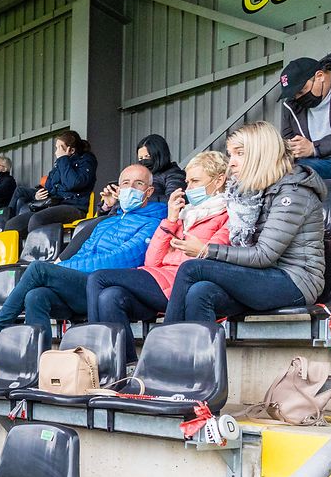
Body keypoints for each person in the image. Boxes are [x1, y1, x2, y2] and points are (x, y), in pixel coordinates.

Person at [0, 163, 168, 361]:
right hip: (84, 284)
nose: (131, 188)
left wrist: (62, 268)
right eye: (125, 183)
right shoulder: (106, 222)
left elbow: (124, 259)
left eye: (138, 184)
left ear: (148, 191)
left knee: (38, 269)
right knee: (36, 296)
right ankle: (38, 364)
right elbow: (83, 252)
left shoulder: (155, 220)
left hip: (110, 287)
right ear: (118, 189)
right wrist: (67, 267)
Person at [164, 121, 326, 323]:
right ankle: (199, 354)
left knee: (192, 268)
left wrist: (206, 250)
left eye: (239, 153)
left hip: (296, 282)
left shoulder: (294, 192)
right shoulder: (253, 193)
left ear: (262, 153)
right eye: (231, 154)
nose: (231, 162)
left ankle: (163, 349)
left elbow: (263, 255)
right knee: (201, 292)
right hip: (263, 275)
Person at [86, 151, 230, 365]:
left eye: (196, 181)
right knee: (110, 296)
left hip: (179, 285)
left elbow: (206, 261)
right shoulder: (183, 214)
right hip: (158, 278)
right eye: (188, 182)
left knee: (98, 278)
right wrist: (171, 220)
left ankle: (94, 359)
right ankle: (125, 367)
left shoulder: (228, 215)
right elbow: (151, 261)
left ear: (219, 180)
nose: (189, 188)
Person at [279, 52, 331, 191]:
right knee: (287, 169)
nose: (298, 98)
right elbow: (287, 140)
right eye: (294, 95)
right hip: (320, 164)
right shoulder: (291, 104)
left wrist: (314, 148)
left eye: (301, 91)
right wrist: (289, 149)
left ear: (320, 76)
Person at [6, 130, 97, 237]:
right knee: (12, 224)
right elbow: (49, 184)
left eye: (59, 147)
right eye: (56, 147)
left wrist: (63, 159)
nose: (56, 152)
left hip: (74, 207)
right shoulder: (60, 163)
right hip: (53, 204)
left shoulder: (86, 160)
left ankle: (38, 252)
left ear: (71, 150)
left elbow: (73, 183)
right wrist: (38, 195)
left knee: (37, 220)